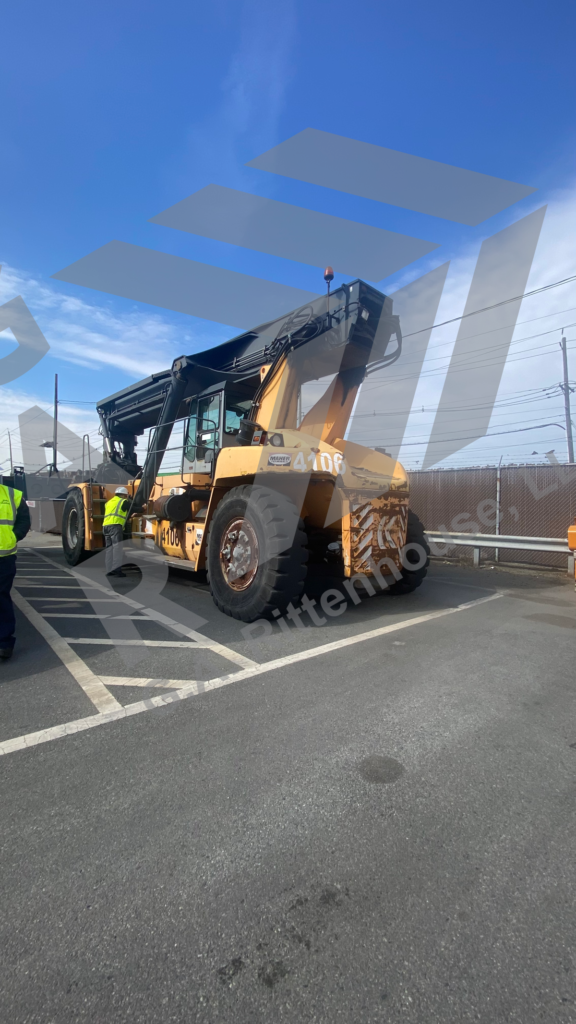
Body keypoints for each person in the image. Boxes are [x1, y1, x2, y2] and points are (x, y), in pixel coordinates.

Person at [0, 481, 31, 660]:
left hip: (4, 556)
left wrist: (14, 537)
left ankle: (4, 643)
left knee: (1, 597)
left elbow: (24, 520)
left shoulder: (13, 495)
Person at [103, 486, 130, 578]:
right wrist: (143, 508)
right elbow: (132, 508)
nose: (126, 497)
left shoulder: (109, 502)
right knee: (117, 549)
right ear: (123, 495)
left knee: (109, 549)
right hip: (115, 527)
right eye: (126, 495)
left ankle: (109, 570)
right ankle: (117, 570)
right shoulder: (123, 501)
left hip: (105, 526)